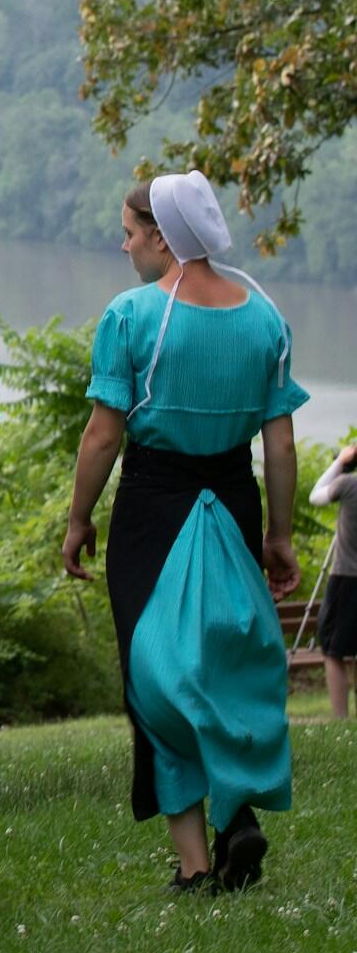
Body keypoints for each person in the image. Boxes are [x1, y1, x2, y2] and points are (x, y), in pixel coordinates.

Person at [63, 172, 306, 892]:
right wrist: (281, 535)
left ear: (162, 237)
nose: (125, 244)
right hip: (233, 500)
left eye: (131, 232)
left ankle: (198, 862)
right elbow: (283, 447)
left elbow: (104, 436)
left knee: (154, 676)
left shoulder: (132, 317)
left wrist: (79, 517)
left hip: (153, 509)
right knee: (224, 663)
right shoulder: (265, 317)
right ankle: (237, 817)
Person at [308, 441, 357, 719]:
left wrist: (340, 462)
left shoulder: (348, 485)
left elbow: (316, 495)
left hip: (347, 578)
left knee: (333, 649)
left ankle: (340, 718)